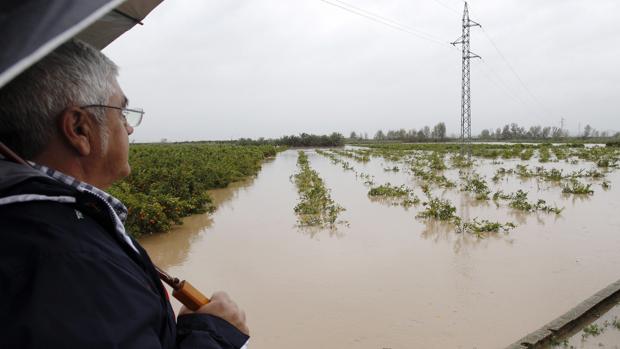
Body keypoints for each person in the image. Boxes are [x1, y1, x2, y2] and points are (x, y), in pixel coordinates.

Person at [0, 40, 249, 348]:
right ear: (79, 129)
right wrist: (214, 334)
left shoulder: (36, 225)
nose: (129, 129)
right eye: (121, 112)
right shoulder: (70, 264)